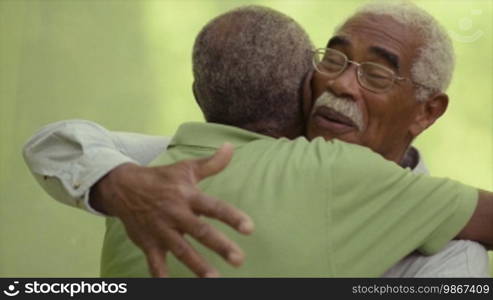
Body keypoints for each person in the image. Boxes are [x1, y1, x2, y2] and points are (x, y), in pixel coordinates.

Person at [23, 4, 491, 277]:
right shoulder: (192, 169)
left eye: (375, 74)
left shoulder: (452, 257)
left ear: (427, 111)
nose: (342, 85)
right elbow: (55, 143)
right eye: (333, 59)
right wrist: (120, 184)